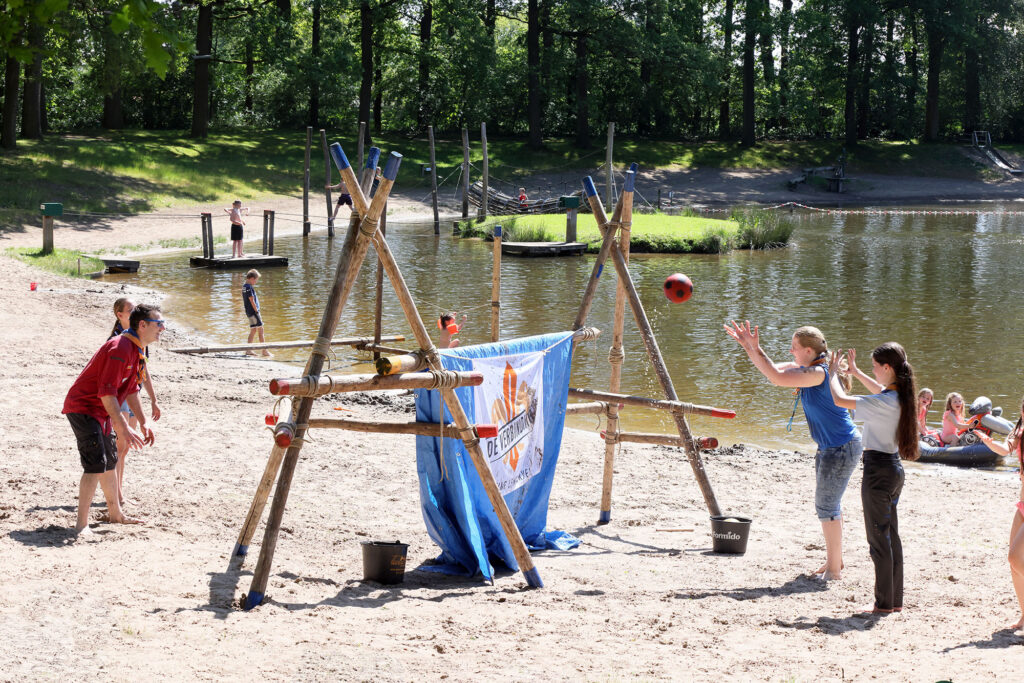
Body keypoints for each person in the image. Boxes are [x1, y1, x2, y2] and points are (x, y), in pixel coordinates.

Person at [724, 321, 861, 581]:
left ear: (809, 351)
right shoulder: (808, 369)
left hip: (841, 447)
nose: (791, 352)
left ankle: (833, 571)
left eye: (794, 347)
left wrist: (757, 347)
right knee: (831, 506)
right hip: (832, 447)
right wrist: (749, 348)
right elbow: (774, 373)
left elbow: (775, 375)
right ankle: (836, 561)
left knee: (827, 507)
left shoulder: (818, 373)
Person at [827, 343, 919, 615]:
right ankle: (894, 601)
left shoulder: (885, 401)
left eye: (875, 367)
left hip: (878, 472)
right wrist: (854, 372)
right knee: (891, 537)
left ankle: (882, 604)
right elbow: (878, 392)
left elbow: (839, 400)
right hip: (893, 469)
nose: (873, 371)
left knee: (878, 540)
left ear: (887, 368)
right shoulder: (899, 394)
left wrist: (832, 373)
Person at [63, 304, 165, 534]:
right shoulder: (120, 347)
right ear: (143, 325)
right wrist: (123, 427)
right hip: (84, 407)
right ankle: (82, 525)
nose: (163, 328)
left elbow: (130, 391)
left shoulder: (137, 349)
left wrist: (143, 421)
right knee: (96, 463)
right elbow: (106, 393)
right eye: (159, 324)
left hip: (101, 410)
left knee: (110, 460)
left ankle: (116, 514)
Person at [976, 397, 1024, 630]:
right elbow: (1005, 449)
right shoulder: (1019, 429)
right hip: (1022, 504)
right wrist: (987, 441)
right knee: (1013, 563)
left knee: (1016, 557)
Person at [108, 298, 161, 507]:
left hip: (131, 394)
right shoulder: (119, 341)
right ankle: (117, 496)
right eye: (129, 311)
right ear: (119, 315)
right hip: (119, 396)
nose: (132, 313)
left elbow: (143, 371)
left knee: (124, 448)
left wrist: (154, 400)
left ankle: (119, 493)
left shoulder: (139, 340)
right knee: (120, 447)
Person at [243, 269, 271, 357]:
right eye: (256, 280)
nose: (256, 281)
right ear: (251, 278)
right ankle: (264, 350)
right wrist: (257, 311)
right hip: (253, 312)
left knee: (253, 330)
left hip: (249, 312)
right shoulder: (249, 287)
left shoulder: (244, 286)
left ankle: (248, 350)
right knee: (261, 329)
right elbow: (251, 300)